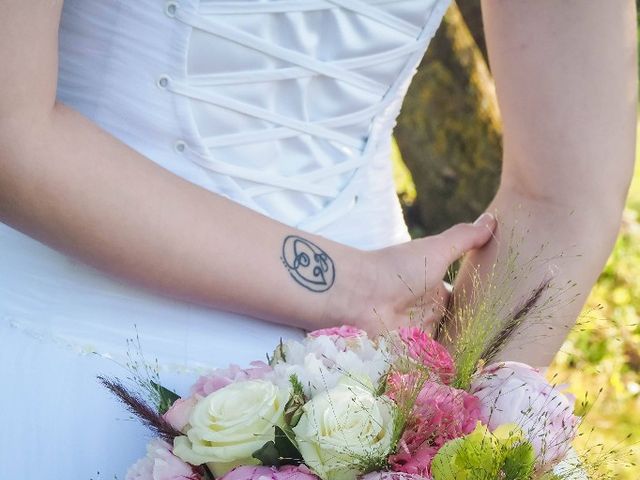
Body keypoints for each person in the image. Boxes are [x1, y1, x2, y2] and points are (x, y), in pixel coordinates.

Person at [0, 0, 636, 478]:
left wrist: (443, 432)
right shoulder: (363, 294)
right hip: (62, 360)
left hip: (376, 389)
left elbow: (564, 198)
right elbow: (11, 135)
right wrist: (352, 286)